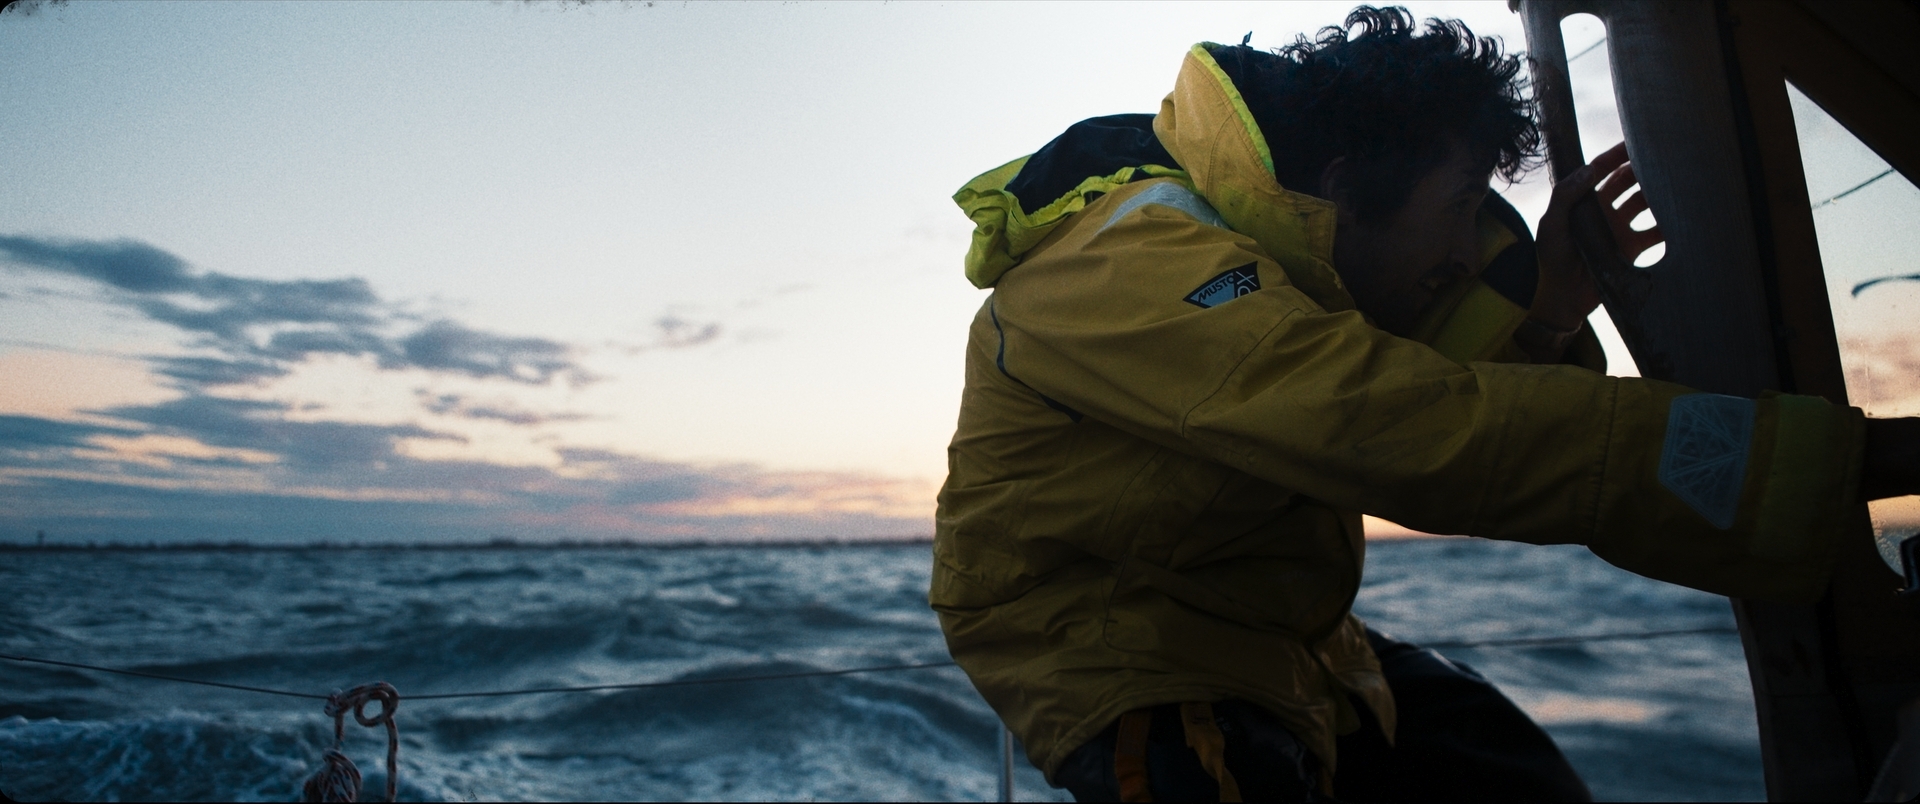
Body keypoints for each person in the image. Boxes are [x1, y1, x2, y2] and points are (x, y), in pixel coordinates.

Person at [931, 6, 1920, 802]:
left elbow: (1433, 384)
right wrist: (1831, 462)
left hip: (1274, 630)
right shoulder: (1131, 257)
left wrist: (1547, 311)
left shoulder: (1290, 253)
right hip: (1117, 645)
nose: (1462, 252)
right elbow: (1398, 425)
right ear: (1344, 186)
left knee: (1512, 776)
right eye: (1458, 208)